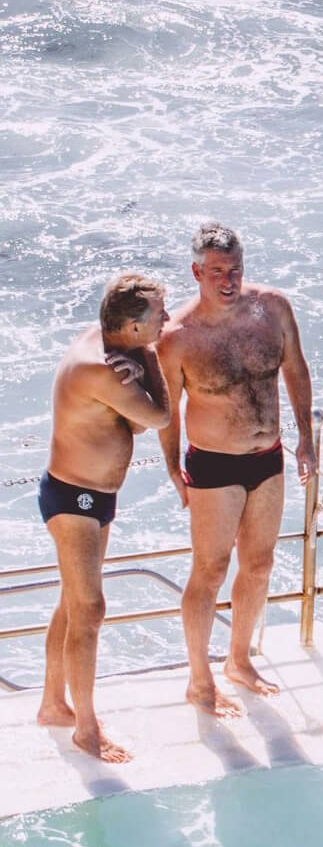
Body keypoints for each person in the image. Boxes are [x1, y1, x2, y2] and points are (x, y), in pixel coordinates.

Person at [156, 223, 314, 717]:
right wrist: (172, 468)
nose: (228, 280)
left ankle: (240, 660)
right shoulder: (177, 337)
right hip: (213, 465)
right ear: (197, 272)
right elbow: (168, 410)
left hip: (269, 458)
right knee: (210, 568)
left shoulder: (273, 309)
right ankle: (199, 680)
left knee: (260, 563)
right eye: (217, 272)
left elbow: (296, 370)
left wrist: (306, 438)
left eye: (236, 270)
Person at [37, 274, 171, 763]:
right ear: (133, 328)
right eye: (160, 315)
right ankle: (87, 729)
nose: (168, 320)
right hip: (75, 498)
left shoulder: (117, 352)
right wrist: (151, 364)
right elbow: (159, 418)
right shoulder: (102, 367)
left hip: (95, 497)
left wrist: (139, 373)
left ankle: (54, 703)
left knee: (74, 603)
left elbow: (135, 418)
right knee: (90, 610)